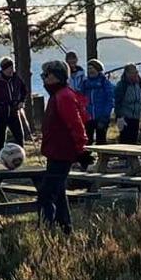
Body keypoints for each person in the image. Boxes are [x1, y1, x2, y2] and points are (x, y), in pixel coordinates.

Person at [36, 60, 90, 233]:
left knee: (46, 194)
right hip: (55, 151)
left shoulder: (64, 96)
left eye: (47, 75)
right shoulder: (57, 94)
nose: (44, 78)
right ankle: (66, 228)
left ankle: (47, 229)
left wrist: (81, 150)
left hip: (62, 152)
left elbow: (76, 125)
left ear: (57, 76)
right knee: (58, 193)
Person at [0, 57, 26, 147]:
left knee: (19, 137)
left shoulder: (16, 79)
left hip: (14, 111)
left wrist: (21, 101)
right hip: (0, 112)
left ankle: (20, 157)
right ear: (3, 69)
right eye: (9, 68)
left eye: (13, 68)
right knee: (0, 139)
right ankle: (0, 158)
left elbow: (24, 90)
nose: (12, 70)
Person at [75, 59, 116, 145]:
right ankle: (87, 158)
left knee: (101, 141)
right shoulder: (84, 83)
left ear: (98, 69)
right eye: (89, 68)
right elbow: (79, 100)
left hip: (101, 117)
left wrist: (105, 116)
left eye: (92, 68)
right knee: (86, 141)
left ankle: (102, 158)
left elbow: (110, 100)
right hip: (88, 118)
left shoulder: (105, 83)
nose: (90, 71)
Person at [114, 63, 141, 145]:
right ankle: (123, 157)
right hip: (125, 117)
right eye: (132, 72)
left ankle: (131, 157)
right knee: (125, 140)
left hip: (136, 116)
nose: (135, 74)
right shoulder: (122, 85)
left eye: (136, 72)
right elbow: (117, 102)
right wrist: (119, 117)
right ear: (127, 73)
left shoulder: (139, 83)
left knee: (133, 140)